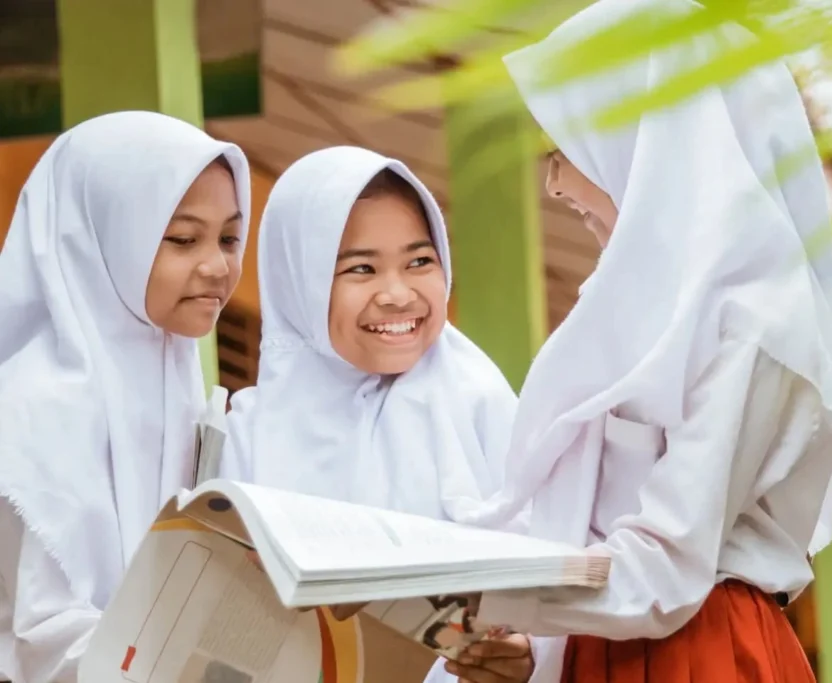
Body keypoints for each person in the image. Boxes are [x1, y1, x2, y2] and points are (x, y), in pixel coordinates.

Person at [438, 1, 832, 681]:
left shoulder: (753, 322)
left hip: (699, 652)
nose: (554, 184)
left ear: (653, 136)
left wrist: (478, 591)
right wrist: (529, 637)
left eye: (562, 150)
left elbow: (665, 564)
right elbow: (585, 527)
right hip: (602, 641)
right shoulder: (635, 309)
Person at [0, 111, 251, 683]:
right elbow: (44, 639)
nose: (218, 266)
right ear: (99, 239)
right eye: (183, 239)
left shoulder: (178, 385)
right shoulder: (32, 410)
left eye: (229, 238)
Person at [219, 145, 519, 548]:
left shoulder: (480, 403)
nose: (398, 294)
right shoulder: (248, 437)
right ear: (299, 285)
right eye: (362, 269)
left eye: (419, 262)